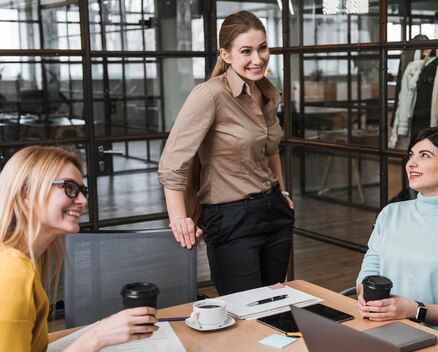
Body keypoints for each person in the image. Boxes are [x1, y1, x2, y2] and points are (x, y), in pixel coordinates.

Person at [158, 10, 294, 295]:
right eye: (246, 51)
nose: (258, 59)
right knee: (245, 314)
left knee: (273, 307)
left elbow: (271, 150)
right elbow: (172, 162)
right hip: (231, 219)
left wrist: (281, 191)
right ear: (226, 55)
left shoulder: (267, 93)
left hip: (274, 214)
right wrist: (178, 218)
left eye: (262, 48)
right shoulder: (210, 95)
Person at [0, 146, 158, 352]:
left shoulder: (25, 258)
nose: (83, 201)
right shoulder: (12, 272)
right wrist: (96, 338)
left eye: (83, 191)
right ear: (26, 193)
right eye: (69, 188)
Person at [355, 127, 438, 335]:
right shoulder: (390, 213)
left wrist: (413, 310)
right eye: (411, 155)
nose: (411, 163)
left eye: (424, 155)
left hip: (429, 339)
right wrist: (367, 296)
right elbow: (370, 269)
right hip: (375, 327)